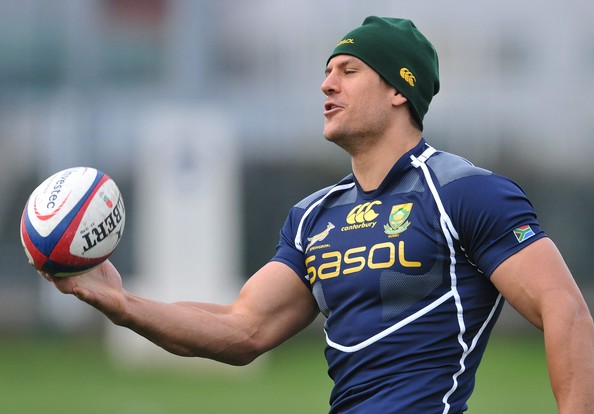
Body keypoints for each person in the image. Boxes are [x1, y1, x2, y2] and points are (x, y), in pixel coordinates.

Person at [39, 16, 594, 414]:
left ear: (399, 89)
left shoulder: (466, 193)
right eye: (328, 71)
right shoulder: (314, 216)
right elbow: (242, 327)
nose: (327, 83)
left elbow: (564, 309)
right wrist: (121, 303)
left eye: (349, 70)